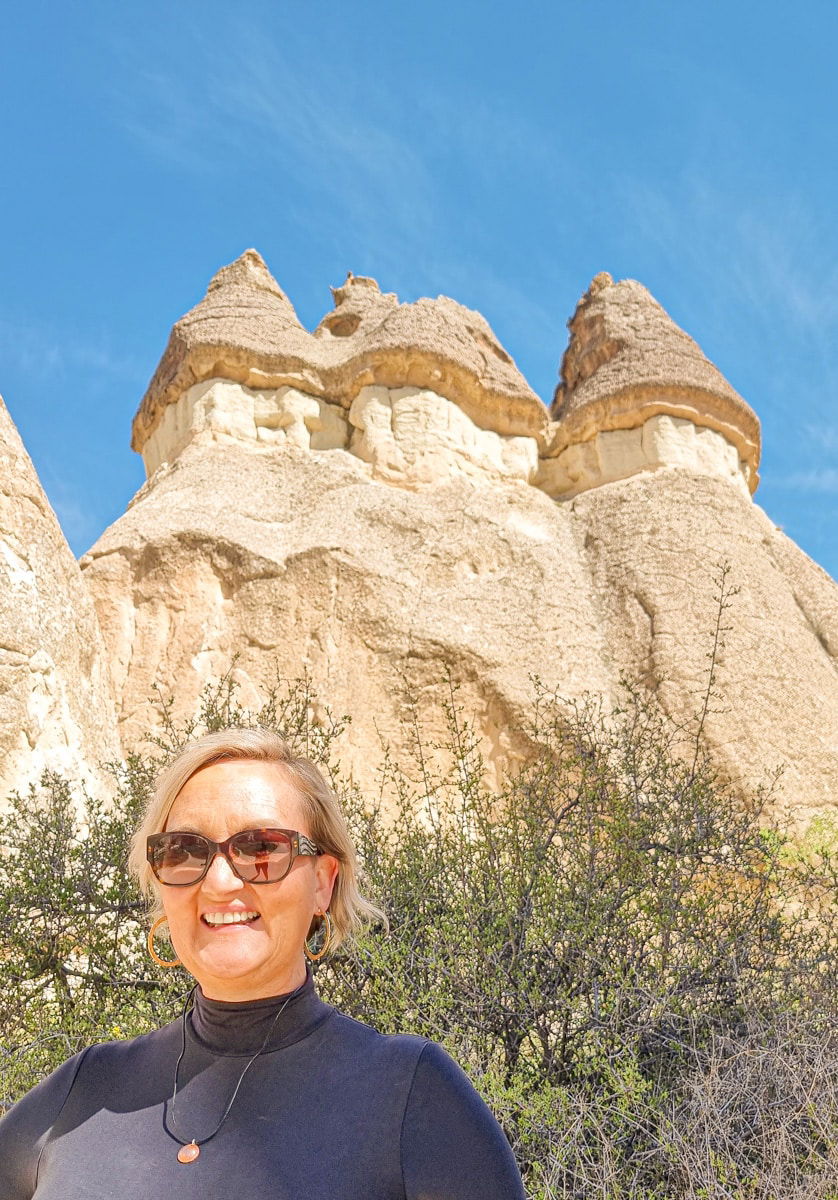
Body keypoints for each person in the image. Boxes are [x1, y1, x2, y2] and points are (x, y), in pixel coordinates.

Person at [0, 727, 526, 1198]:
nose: (219, 881)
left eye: (262, 848)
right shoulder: (83, 1089)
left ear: (323, 882)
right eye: (183, 849)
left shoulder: (411, 1094)